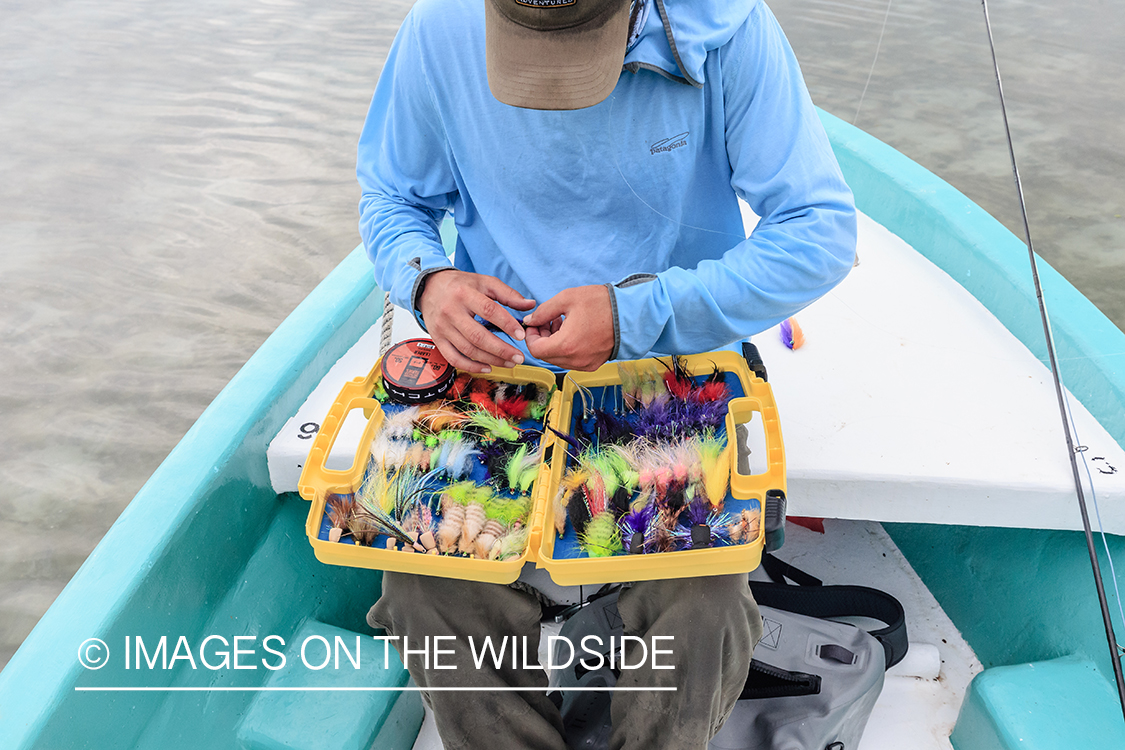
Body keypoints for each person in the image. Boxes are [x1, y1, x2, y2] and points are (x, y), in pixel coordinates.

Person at [356, 0, 857, 747]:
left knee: (703, 601)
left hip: (672, 369)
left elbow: (819, 233)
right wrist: (428, 282)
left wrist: (636, 316)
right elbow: (393, 196)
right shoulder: (437, 28)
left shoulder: (729, 30)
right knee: (426, 588)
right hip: (498, 378)